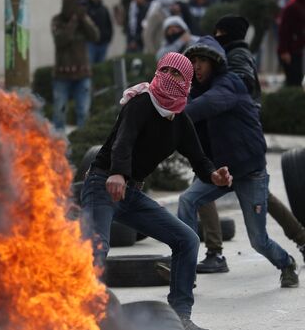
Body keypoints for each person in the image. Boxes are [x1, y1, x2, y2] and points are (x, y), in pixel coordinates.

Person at [81, 52, 232, 330]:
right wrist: (117, 172)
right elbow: (123, 141)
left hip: (130, 193)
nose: (171, 78)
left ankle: (180, 317)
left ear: (187, 83)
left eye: (178, 75)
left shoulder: (180, 121)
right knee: (97, 247)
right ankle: (83, 317)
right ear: (158, 71)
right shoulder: (140, 103)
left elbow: (198, 158)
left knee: (187, 239)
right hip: (103, 183)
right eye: (167, 71)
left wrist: (214, 175)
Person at [177, 36, 299, 288]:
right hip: (221, 171)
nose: (196, 66)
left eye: (201, 61)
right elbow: (188, 134)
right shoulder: (195, 93)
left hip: (249, 171)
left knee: (258, 240)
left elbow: (207, 105)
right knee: (187, 200)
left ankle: (287, 263)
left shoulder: (229, 83)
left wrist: (174, 113)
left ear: (214, 62)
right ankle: (185, 269)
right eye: (193, 62)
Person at [51, 0, 100, 131]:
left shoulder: (84, 21)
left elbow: (96, 36)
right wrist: (73, 22)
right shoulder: (57, 21)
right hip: (62, 76)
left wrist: (83, 19)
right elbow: (60, 40)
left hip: (82, 75)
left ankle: (82, 143)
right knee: (59, 113)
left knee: (83, 112)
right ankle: (58, 147)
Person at [277, 0, 305, 86]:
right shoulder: (292, 8)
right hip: (291, 51)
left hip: (299, 50)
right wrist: (284, 51)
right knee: (294, 82)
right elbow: (283, 31)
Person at [86, 0, 114, 64]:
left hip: (103, 43)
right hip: (91, 43)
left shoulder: (104, 9)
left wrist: (108, 38)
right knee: (91, 65)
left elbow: (109, 24)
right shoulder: (86, 8)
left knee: (101, 66)